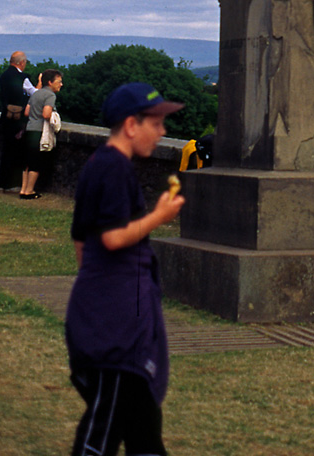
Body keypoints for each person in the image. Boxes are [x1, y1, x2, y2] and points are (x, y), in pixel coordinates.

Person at [65, 82, 185, 456]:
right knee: (101, 434)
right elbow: (113, 239)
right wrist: (160, 216)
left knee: (144, 433)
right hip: (116, 333)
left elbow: (82, 243)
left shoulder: (99, 164)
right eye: (156, 123)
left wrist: (98, 296)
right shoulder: (113, 168)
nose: (162, 131)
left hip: (111, 318)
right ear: (131, 125)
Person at [20, 68, 63, 199]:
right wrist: (54, 118)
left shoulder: (36, 94)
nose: (61, 84)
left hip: (29, 129)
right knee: (36, 162)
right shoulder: (50, 95)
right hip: (39, 131)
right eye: (59, 82)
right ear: (50, 82)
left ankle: (23, 189)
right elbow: (46, 114)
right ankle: (29, 191)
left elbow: (26, 112)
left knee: (27, 162)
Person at [0, 50, 31, 191]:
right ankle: (13, 184)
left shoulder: (4, 76)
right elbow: (33, 92)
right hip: (19, 119)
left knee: (6, 151)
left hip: (6, 117)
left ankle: (3, 183)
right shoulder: (23, 77)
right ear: (21, 62)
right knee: (17, 151)